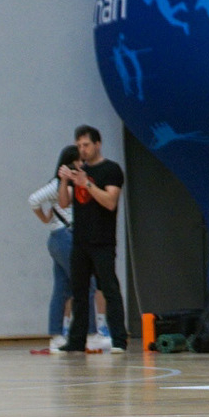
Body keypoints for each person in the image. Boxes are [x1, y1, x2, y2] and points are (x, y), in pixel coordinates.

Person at [55, 126, 127, 354]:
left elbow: (110, 202)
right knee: (79, 292)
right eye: (79, 146)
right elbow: (63, 203)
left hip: (102, 241)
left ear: (97, 144)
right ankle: (76, 341)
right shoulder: (79, 170)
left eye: (86, 145)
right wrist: (64, 181)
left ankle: (119, 340)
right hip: (80, 240)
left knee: (109, 289)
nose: (82, 150)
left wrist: (86, 183)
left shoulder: (111, 169)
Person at [28, 145, 93, 350]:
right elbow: (33, 200)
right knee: (87, 284)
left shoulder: (75, 182)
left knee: (62, 289)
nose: (83, 163)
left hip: (61, 238)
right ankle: (91, 333)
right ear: (71, 162)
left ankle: (56, 336)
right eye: (79, 160)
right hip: (65, 236)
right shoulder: (57, 183)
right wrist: (45, 218)